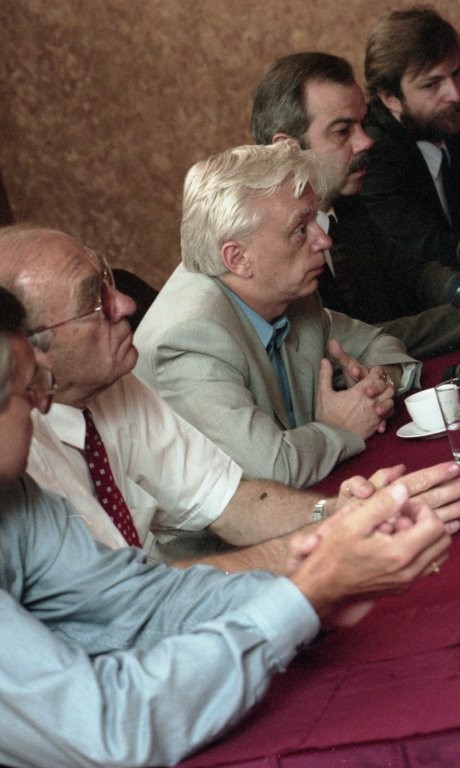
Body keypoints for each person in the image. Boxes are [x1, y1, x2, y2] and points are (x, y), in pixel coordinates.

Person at [0, 286, 453, 767]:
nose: (42, 406)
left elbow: (139, 604)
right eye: (26, 389)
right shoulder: (192, 331)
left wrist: (310, 589)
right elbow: (108, 732)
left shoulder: (15, 495)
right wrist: (307, 593)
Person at [0, 224, 375, 571]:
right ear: (27, 349)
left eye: (107, 281)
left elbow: (227, 502)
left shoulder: (111, 382)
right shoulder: (15, 452)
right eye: (95, 303)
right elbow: (119, 597)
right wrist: (324, 541)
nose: (126, 304)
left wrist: (340, 512)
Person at [134, 141, 419, 489]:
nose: (323, 240)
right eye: (301, 229)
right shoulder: (188, 338)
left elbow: (378, 343)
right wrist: (339, 427)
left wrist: (378, 383)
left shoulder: (285, 291)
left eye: (314, 220)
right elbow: (269, 470)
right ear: (238, 258)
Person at [250, 51, 460, 358]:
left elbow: (413, 274)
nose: (366, 142)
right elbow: (343, 344)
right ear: (287, 149)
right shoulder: (266, 245)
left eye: (363, 124)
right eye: (342, 131)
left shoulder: (348, 206)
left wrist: (455, 286)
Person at [361, 5, 460, 309]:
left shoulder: (447, 122)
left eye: (457, 74)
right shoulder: (372, 154)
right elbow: (431, 252)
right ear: (390, 97)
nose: (455, 94)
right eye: (432, 84)